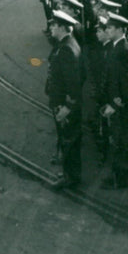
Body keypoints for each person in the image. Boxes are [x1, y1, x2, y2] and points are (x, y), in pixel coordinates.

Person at [46, 10, 86, 190]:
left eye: (54, 25)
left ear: (62, 27)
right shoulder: (69, 44)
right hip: (63, 103)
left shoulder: (66, 49)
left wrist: (67, 107)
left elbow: (74, 83)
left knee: (68, 139)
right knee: (68, 138)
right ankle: (70, 174)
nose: (51, 28)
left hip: (64, 105)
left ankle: (71, 178)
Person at [99, 12, 128, 190]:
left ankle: (121, 180)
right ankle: (116, 175)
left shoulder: (123, 49)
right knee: (115, 139)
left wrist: (115, 104)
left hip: (119, 105)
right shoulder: (116, 46)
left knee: (120, 141)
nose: (107, 30)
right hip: (113, 101)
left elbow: (127, 82)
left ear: (120, 30)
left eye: (110, 28)